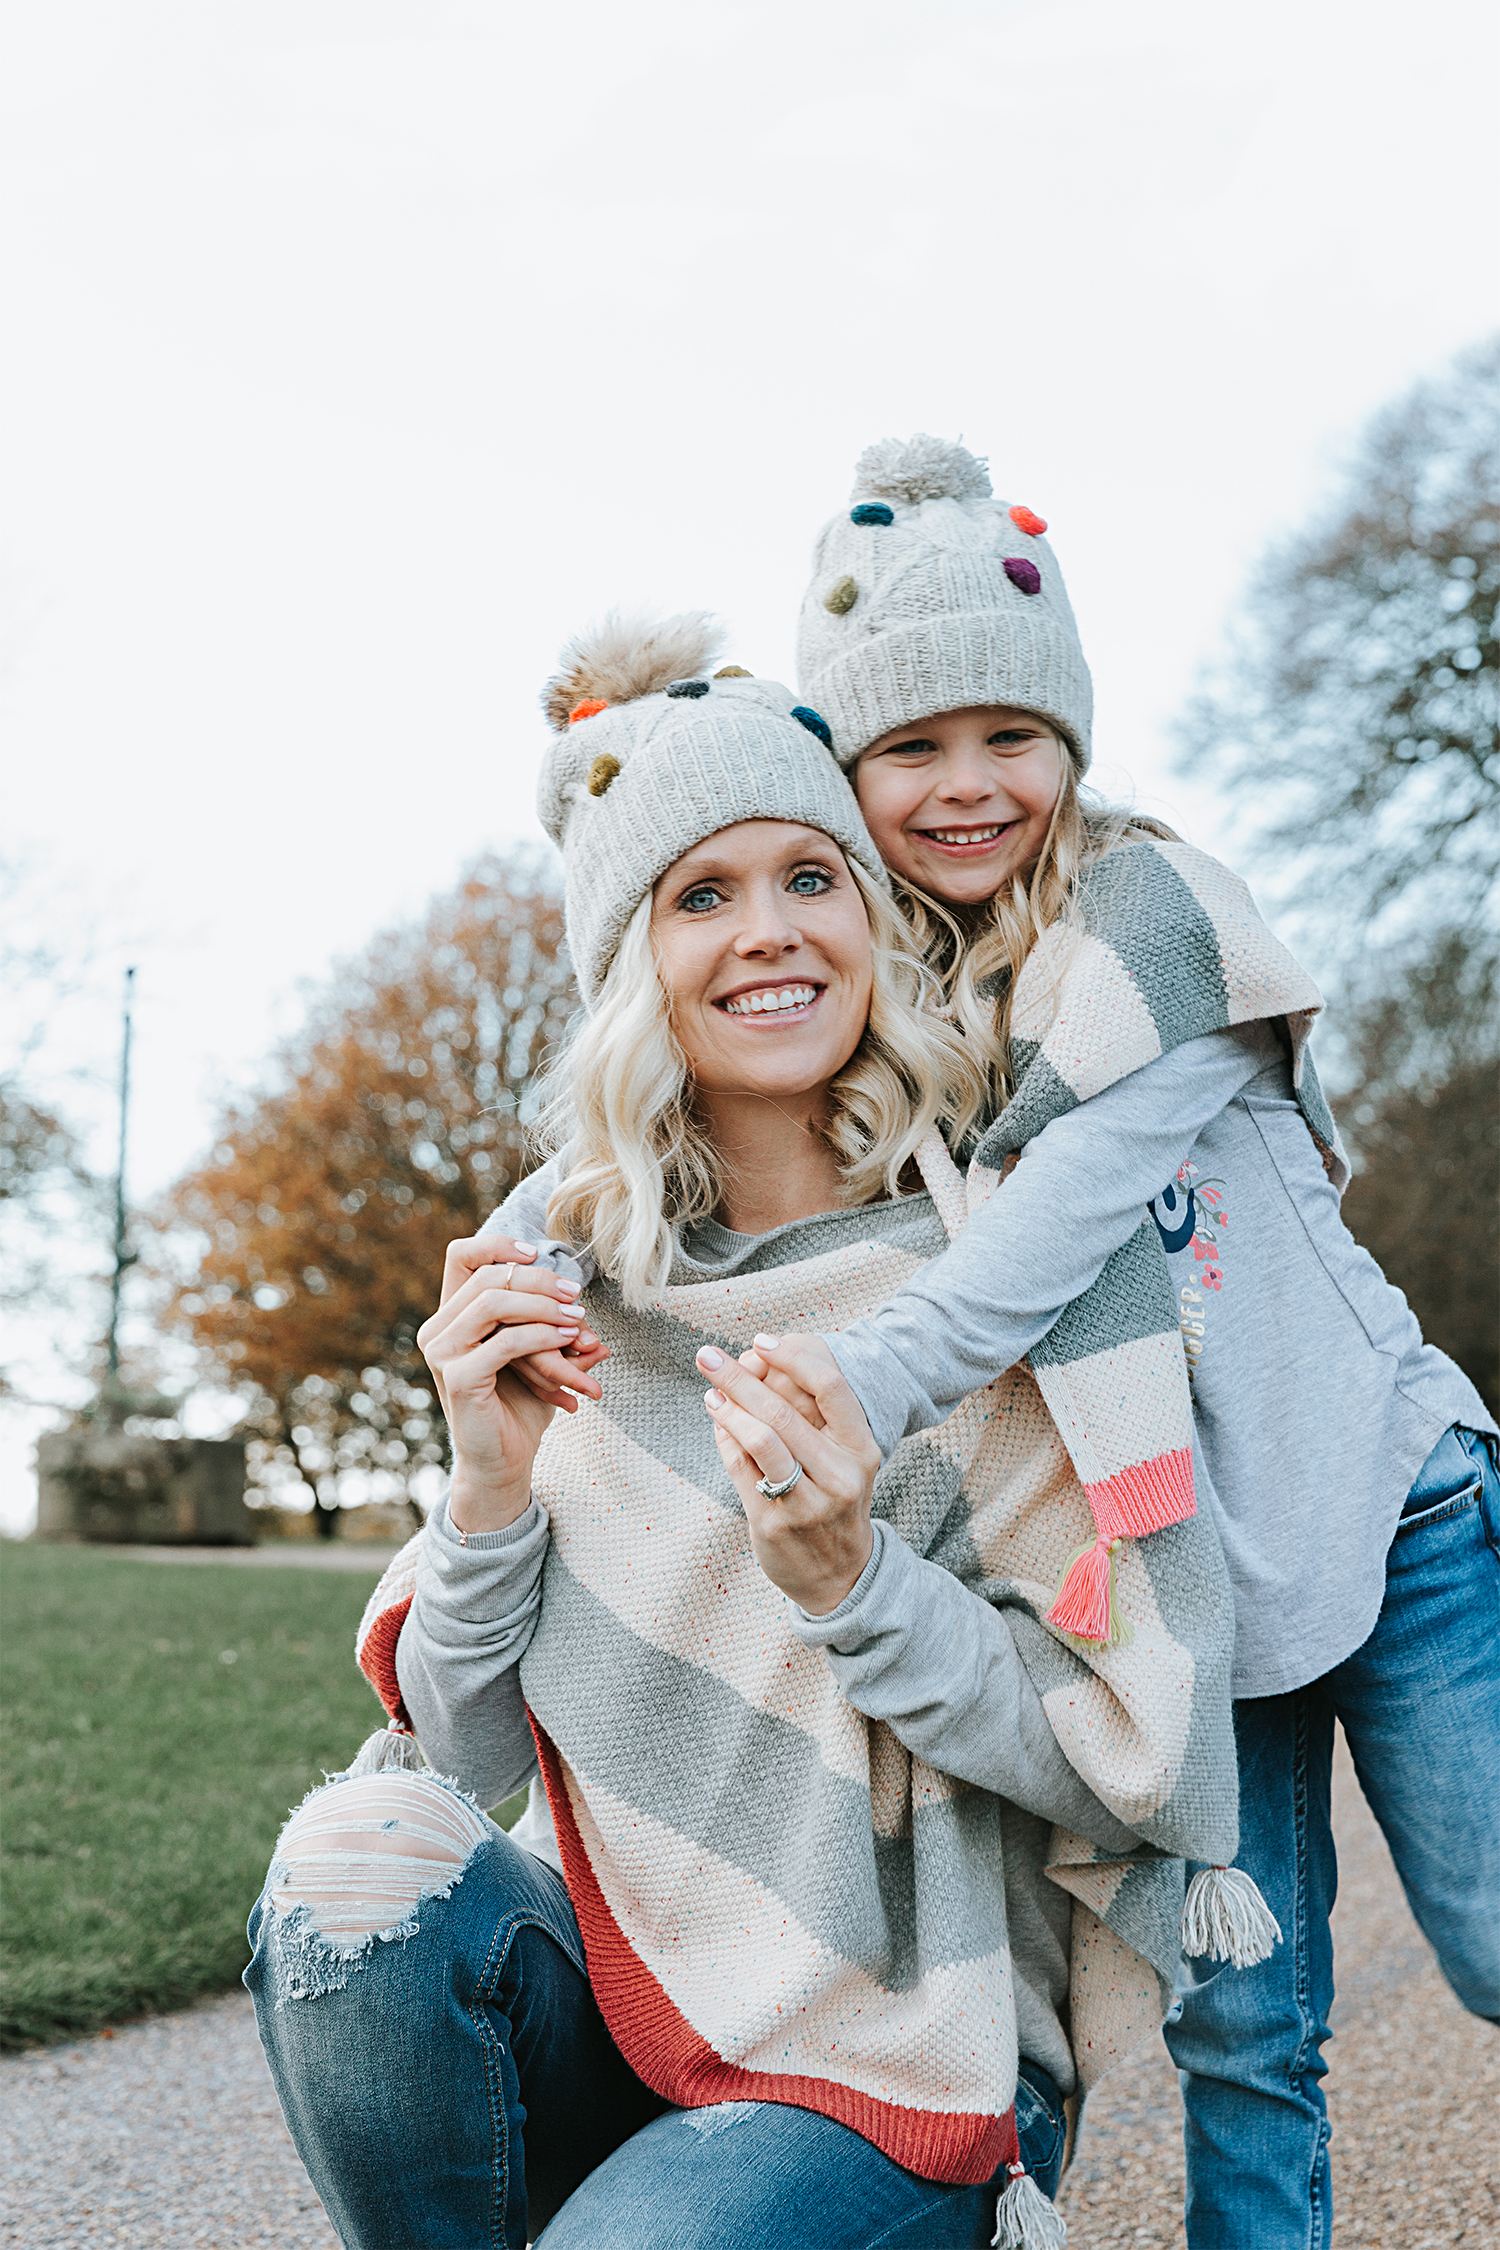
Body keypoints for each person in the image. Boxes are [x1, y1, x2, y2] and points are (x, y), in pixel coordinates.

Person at [247, 617, 1253, 2250]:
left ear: (873, 912)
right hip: (623, 1985)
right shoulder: (572, 1283)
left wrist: (858, 1584)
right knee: (353, 1862)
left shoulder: (999, 1284)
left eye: (813, 875)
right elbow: (465, 1757)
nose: (768, 932)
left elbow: (1121, 1750)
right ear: (627, 961)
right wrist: (487, 1485)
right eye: (700, 895)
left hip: (892, 2047)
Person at [760, 436, 1496, 2250]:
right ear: (849, 774)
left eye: (1006, 735)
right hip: (1179, 1570)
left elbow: (1032, 1254)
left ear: (1069, 741)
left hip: (1391, 1508)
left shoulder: (1156, 925)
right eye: (910, 747)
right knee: (1247, 2021)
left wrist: (834, 1396)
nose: (964, 785)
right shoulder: (903, 1031)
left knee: (1492, 1939)